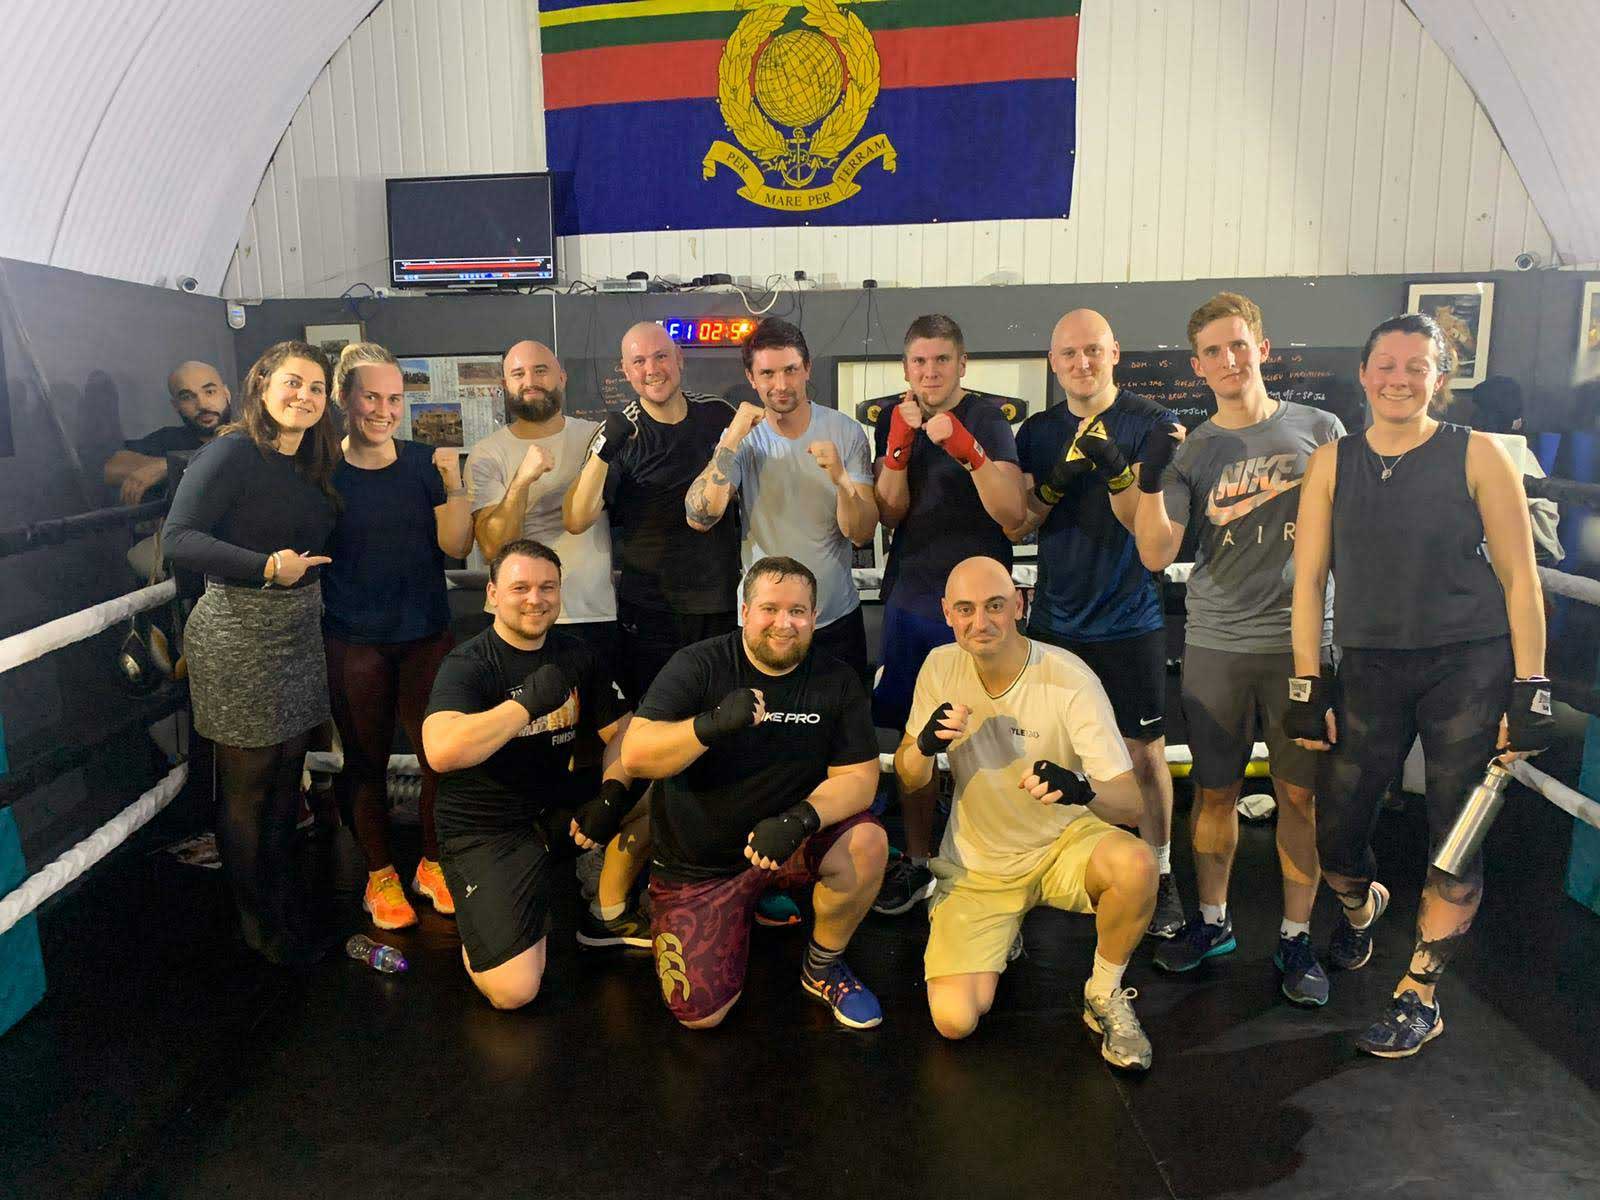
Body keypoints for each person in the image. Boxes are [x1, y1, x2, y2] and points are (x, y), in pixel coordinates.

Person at [1287, 313, 1550, 1057]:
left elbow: (1519, 576)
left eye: (1416, 366)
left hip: (1468, 663)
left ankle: (1420, 993)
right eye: (1386, 365)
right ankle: (1363, 907)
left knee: (1454, 837)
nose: (1399, 379)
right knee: (1337, 836)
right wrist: (1306, 678)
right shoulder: (1334, 461)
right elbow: (1308, 580)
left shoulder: (1479, 455)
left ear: (1441, 376)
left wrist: (1530, 683)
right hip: (1369, 663)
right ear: (1365, 373)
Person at [1133, 292, 1343, 1006]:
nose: (1228, 360)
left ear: (1262, 347)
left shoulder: (1321, 428)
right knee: (1215, 792)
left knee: (1298, 798)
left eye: (1238, 346)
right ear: (1198, 366)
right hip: (1217, 640)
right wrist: (1150, 477)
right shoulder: (1193, 450)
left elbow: (1353, 533)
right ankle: (1214, 921)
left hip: (1299, 645)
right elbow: (1158, 554)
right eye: (1213, 352)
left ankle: (1294, 936)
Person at [896, 557, 1158, 1068]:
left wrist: (1080, 789)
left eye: (995, 606)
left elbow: (1130, 805)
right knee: (955, 1020)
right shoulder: (939, 666)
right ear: (947, 613)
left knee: (1138, 865)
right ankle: (997, 928)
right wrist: (923, 746)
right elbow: (908, 776)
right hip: (980, 863)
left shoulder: (1068, 678)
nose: (981, 622)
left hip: (1062, 845)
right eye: (966, 610)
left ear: (1020, 604)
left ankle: (1103, 992)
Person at [620, 556, 888, 1029]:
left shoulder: (836, 679)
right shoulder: (698, 665)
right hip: (702, 863)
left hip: (789, 843)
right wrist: (711, 725)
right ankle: (745, 906)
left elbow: (860, 779)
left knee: (867, 843)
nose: (784, 623)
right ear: (745, 611)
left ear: (815, 617)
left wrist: (798, 820)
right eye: (770, 609)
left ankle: (821, 966)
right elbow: (637, 754)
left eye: (798, 611)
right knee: (700, 1015)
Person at [1009, 309, 1186, 939]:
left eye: (1093, 351)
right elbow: (1020, 522)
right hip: (1058, 615)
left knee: (1143, 755)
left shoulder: (1151, 424)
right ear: (1053, 361)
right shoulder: (1036, 432)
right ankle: (1052, 866)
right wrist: (1055, 484)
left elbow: (1149, 535)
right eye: (1068, 355)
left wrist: (1116, 469)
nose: (1082, 365)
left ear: (1115, 352)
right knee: (1050, 750)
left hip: (1130, 616)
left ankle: (1162, 874)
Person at [161, 342, 340, 964]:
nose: (305, 397)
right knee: (247, 784)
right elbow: (178, 540)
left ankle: (282, 901)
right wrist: (265, 566)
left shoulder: (310, 456)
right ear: (262, 384)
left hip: (298, 629)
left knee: (287, 775)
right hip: (238, 630)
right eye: (294, 382)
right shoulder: (232, 450)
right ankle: (255, 924)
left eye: (317, 388)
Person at [421, 540, 652, 1010]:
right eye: (520, 587)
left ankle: (602, 903)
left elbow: (624, 733)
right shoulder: (469, 662)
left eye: (547, 587)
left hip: (553, 807)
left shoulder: (576, 655)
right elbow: (441, 751)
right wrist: (523, 705)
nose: (535, 598)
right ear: (492, 594)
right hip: (486, 829)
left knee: (662, 774)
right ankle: (486, 918)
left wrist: (610, 794)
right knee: (515, 992)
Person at [870, 314, 1027, 915]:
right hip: (914, 599)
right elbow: (887, 513)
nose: (930, 372)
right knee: (918, 742)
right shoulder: (895, 417)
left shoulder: (990, 417)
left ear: (962, 364)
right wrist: (900, 446)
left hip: (984, 606)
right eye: (919, 362)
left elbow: (1013, 512)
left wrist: (966, 449)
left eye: (941, 361)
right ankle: (915, 861)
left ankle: (986, 861)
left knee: (989, 738)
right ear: (906, 368)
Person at [322, 342, 475, 931]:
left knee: (440, 755)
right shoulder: (322, 473)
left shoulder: (421, 464)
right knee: (365, 759)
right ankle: (379, 874)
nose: (383, 409)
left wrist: (453, 481)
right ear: (344, 399)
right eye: (370, 397)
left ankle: (433, 863)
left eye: (393, 398)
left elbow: (457, 547)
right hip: (354, 637)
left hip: (425, 632)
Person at [682, 317, 878, 684]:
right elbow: (700, 516)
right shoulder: (741, 439)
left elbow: (862, 533)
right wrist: (732, 437)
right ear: (752, 378)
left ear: (807, 369)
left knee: (842, 736)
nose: (781, 384)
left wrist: (840, 480)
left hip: (832, 618)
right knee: (760, 733)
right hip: (765, 623)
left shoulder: (845, 432)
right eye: (768, 373)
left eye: (790, 370)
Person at [563, 322, 740, 705]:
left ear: (679, 359)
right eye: (639, 361)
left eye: (661, 356)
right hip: (651, 610)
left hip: (720, 603)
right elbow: (576, 519)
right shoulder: (621, 431)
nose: (652, 369)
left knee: (723, 719)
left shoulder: (717, 415)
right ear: (626, 371)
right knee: (656, 717)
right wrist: (604, 449)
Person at [469, 340, 618, 677]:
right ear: (505, 385)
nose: (530, 381)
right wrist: (522, 480)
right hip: (517, 619)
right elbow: (494, 547)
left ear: (562, 378)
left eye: (540, 370)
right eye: (518, 374)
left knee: (602, 726)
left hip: (591, 613)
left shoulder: (597, 436)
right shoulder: (487, 453)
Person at [107, 360, 232, 579]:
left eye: (209, 391)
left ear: (226, 393)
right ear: (176, 405)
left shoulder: (249, 435)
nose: (202, 404)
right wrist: (167, 464)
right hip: (188, 567)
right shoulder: (169, 439)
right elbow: (112, 467)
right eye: (187, 396)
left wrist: (174, 465)